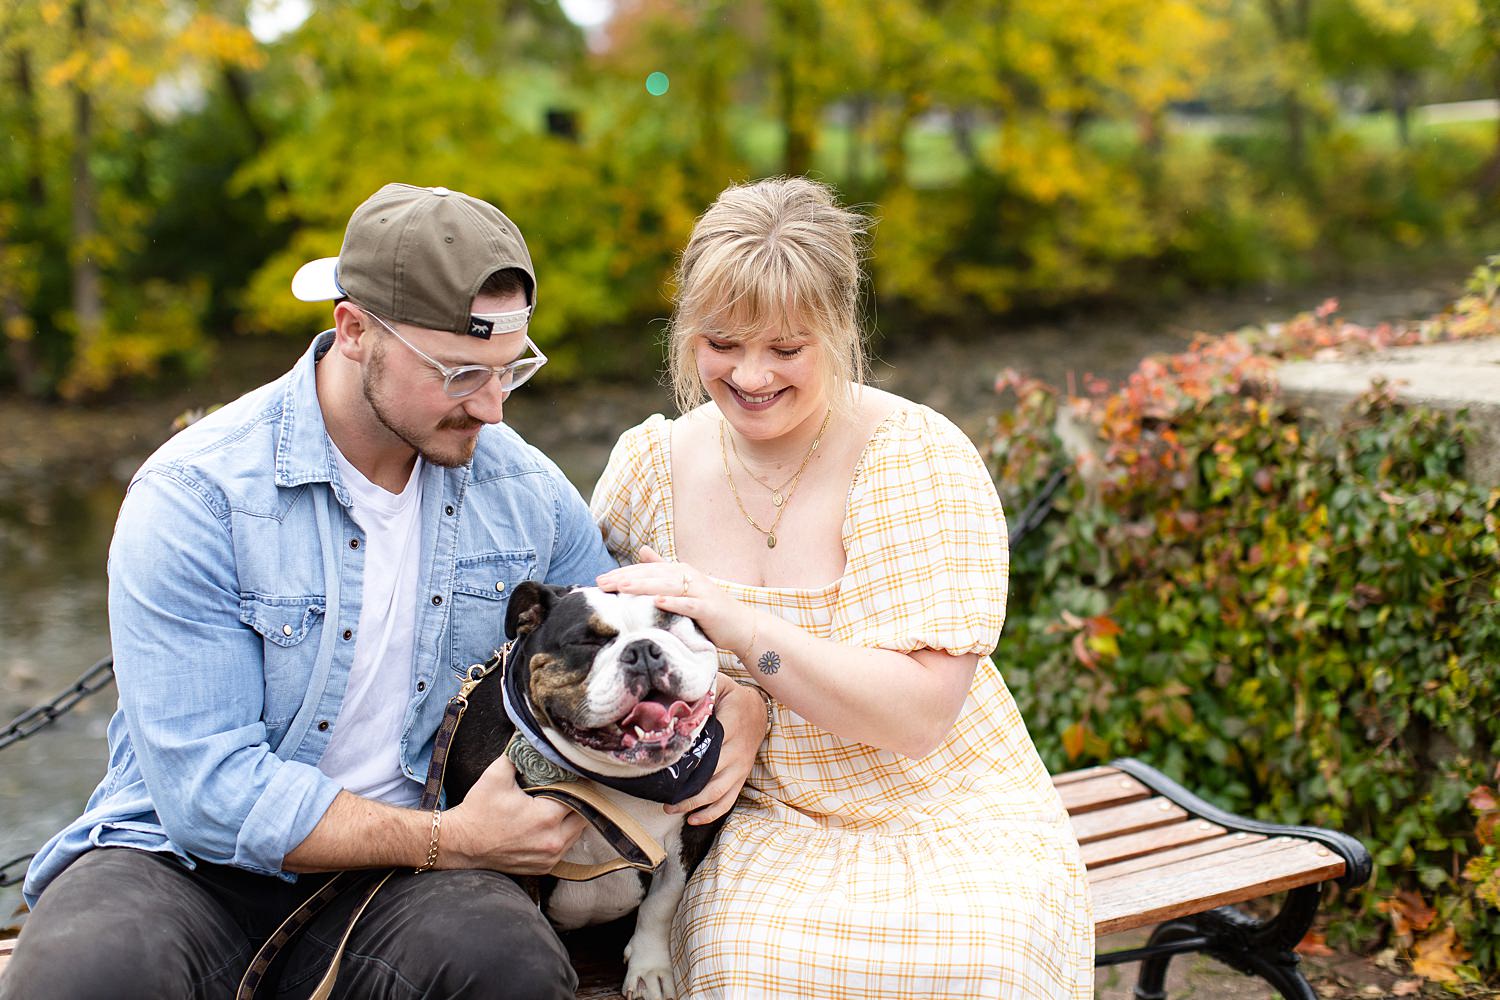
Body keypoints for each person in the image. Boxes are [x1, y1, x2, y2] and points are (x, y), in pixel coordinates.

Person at [3, 182, 764, 1000]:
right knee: (81, 975)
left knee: (506, 964)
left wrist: (741, 698)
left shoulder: (529, 493)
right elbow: (207, 792)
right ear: (355, 330)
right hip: (183, 864)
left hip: (408, 884)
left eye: (514, 370)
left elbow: (618, 642)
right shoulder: (198, 497)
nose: (494, 406)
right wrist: (452, 839)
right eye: (461, 372)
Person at [591, 176, 1094, 998]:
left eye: (786, 348)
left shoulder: (916, 458)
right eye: (722, 342)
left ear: (838, 330)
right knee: (752, 966)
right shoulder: (647, 470)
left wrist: (733, 624)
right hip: (760, 815)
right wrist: (732, 701)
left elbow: (921, 717)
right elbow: (591, 651)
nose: (751, 376)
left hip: (943, 803)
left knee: (982, 962)